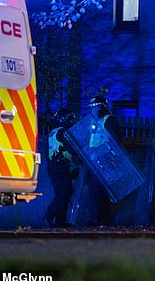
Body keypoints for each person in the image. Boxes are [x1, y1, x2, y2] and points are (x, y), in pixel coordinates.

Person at [86, 94, 121, 225]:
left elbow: (115, 142)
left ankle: (103, 220)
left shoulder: (109, 120)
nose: (93, 110)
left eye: (95, 107)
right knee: (95, 192)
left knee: (102, 192)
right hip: (95, 161)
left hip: (106, 160)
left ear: (102, 107)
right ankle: (99, 220)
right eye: (91, 108)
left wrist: (101, 152)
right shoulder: (95, 122)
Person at [44, 108, 79, 227]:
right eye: (70, 119)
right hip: (59, 166)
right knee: (65, 193)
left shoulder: (53, 132)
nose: (71, 122)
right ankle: (49, 215)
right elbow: (72, 149)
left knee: (63, 193)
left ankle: (61, 222)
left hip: (54, 166)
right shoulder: (62, 132)